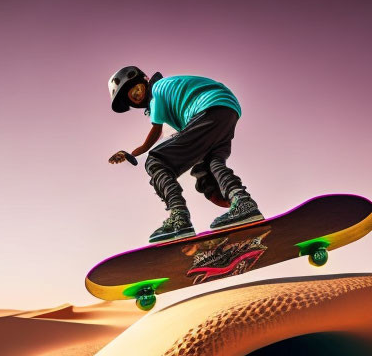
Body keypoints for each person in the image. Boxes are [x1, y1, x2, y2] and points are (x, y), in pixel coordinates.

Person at [107, 66, 263, 243]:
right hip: (226, 109)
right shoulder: (173, 98)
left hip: (207, 107)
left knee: (156, 161)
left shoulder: (157, 89)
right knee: (210, 165)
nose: (136, 95)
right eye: (132, 97)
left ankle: (179, 219)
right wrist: (131, 154)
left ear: (144, 82)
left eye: (137, 89)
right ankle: (242, 203)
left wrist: (141, 150)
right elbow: (173, 137)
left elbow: (156, 131)